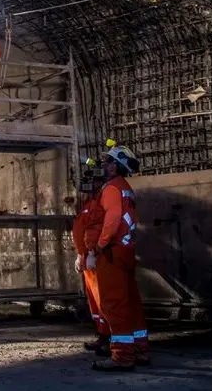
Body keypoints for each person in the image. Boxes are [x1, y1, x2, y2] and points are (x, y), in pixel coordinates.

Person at [85, 143, 150, 371]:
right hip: (126, 249)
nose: (102, 164)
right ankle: (140, 350)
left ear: (114, 167)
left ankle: (122, 356)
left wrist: (99, 246)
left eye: (106, 161)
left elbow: (111, 220)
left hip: (112, 251)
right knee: (131, 302)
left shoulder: (112, 188)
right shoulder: (125, 187)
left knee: (115, 303)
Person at [73, 157, 110, 355]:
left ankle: (109, 338)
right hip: (87, 257)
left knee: (103, 298)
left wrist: (92, 252)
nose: (86, 183)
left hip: (95, 256)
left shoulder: (99, 202)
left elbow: (95, 230)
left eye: (91, 180)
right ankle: (102, 335)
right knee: (94, 299)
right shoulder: (89, 201)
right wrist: (81, 254)